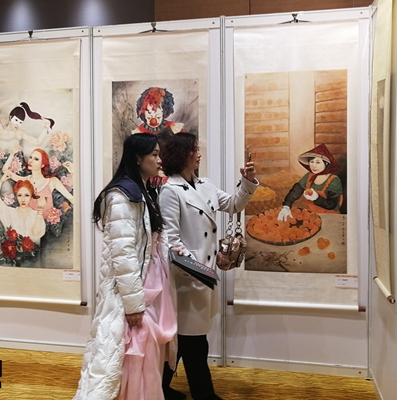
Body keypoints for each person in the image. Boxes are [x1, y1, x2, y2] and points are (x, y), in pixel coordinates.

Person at [74, 133, 179, 400]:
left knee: (144, 356)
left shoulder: (143, 190)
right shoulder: (121, 196)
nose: (159, 160)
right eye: (154, 154)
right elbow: (123, 254)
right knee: (125, 357)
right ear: (137, 158)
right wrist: (133, 304)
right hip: (133, 290)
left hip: (149, 284)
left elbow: (150, 242)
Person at [159, 132, 258, 400]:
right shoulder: (170, 191)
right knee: (192, 341)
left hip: (203, 276)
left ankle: (162, 389)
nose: (199, 154)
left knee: (187, 340)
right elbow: (171, 241)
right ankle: (201, 394)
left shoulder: (206, 184)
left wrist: (247, 181)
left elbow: (234, 204)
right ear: (182, 155)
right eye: (194, 149)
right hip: (186, 279)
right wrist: (199, 270)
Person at [2, 145, 73, 219]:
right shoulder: (26, 181)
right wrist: (12, 153)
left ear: (42, 165)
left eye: (36, 159)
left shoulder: (52, 181)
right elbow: (5, 170)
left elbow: (72, 198)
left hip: (46, 224)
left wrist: (73, 173)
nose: (31, 161)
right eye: (30, 157)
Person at [277, 143, 344, 221]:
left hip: (330, 217)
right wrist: (286, 206)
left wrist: (317, 198)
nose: (313, 166)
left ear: (326, 163)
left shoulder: (334, 180)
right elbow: (296, 191)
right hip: (312, 217)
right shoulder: (309, 176)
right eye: (311, 162)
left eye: (318, 162)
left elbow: (332, 204)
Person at [0, 173, 46, 244]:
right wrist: (1, 181)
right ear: (16, 196)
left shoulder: (35, 214)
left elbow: (35, 234)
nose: (23, 199)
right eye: (20, 195)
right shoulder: (10, 213)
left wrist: (40, 209)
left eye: (26, 195)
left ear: (31, 196)